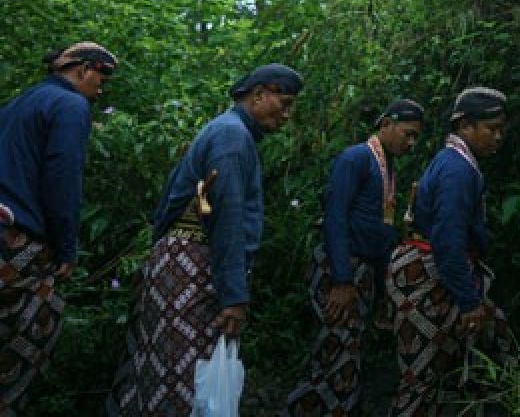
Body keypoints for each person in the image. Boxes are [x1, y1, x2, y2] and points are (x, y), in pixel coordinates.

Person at [107, 63, 303, 416]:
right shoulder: (232, 137)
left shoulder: (228, 131)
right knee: (187, 379)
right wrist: (234, 295)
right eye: (284, 103)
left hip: (182, 261)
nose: (287, 115)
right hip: (194, 265)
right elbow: (227, 220)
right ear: (258, 95)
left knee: (170, 371)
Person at [286, 98, 424, 416]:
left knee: (347, 349)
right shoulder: (357, 158)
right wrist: (342, 280)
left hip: (361, 270)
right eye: (407, 133)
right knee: (335, 349)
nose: (411, 142)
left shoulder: (386, 166)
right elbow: (335, 217)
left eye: (416, 136)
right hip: (341, 268)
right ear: (386, 124)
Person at [0, 42, 117, 412]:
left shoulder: (21, 101)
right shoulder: (70, 105)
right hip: (17, 241)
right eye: (101, 75)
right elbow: (62, 177)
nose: (102, 87)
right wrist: (67, 248)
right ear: (82, 69)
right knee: (32, 335)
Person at [384, 87, 512, 417]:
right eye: (491, 129)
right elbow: (448, 240)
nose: (498, 138)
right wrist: (469, 301)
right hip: (429, 273)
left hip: (429, 270)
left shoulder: (452, 162)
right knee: (422, 377)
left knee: (460, 361)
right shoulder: (457, 170)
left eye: (501, 130)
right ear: (465, 126)